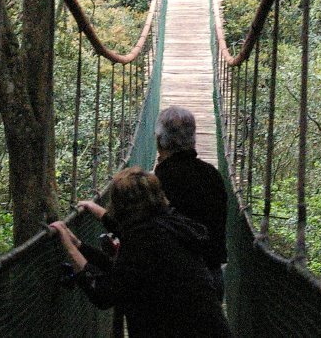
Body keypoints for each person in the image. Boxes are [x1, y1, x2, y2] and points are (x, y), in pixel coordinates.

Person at [50, 167, 231, 337]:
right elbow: (121, 272)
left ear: (120, 205)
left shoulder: (145, 239)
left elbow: (103, 294)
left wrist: (69, 248)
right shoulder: (169, 224)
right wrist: (79, 244)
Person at [152, 105, 228, 297]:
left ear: (160, 141)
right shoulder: (213, 175)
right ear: (193, 139)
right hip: (211, 277)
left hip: (173, 283)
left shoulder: (159, 180)